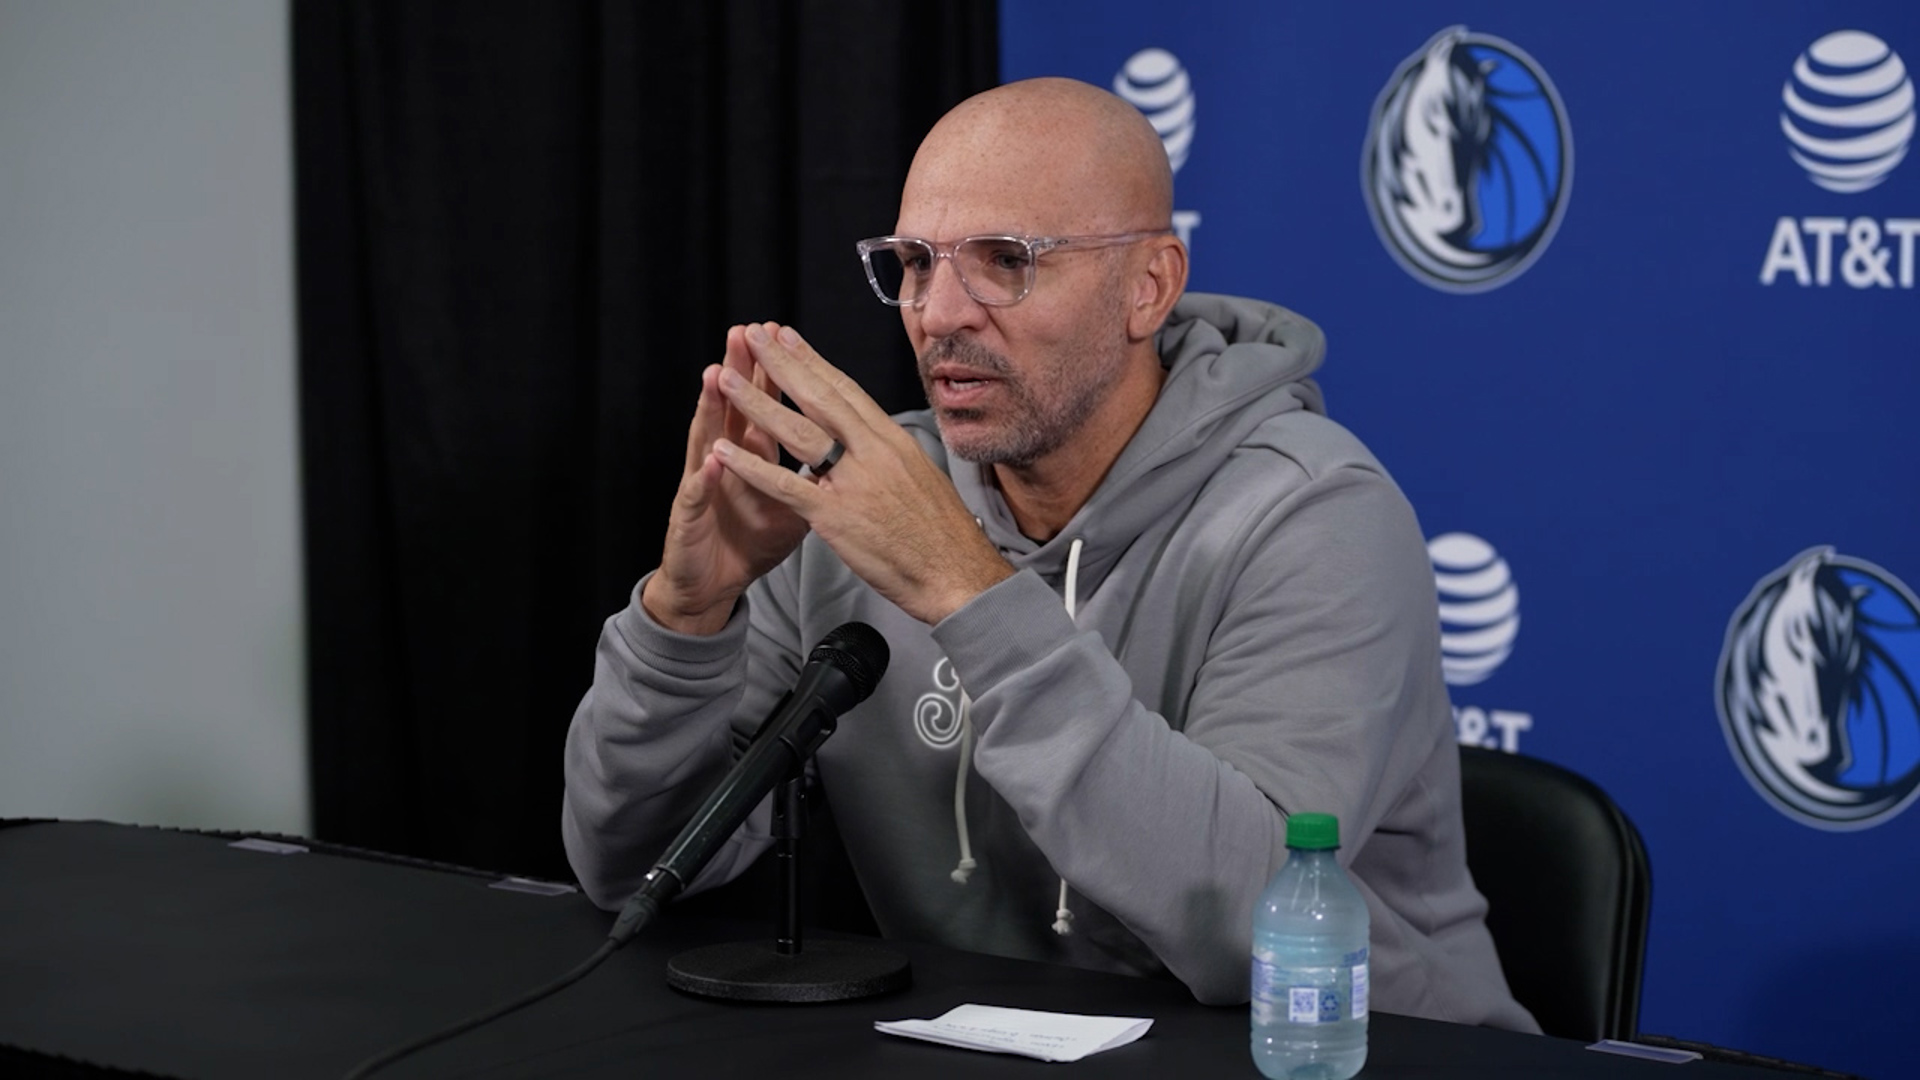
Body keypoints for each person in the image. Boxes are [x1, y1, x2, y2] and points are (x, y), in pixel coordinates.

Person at [562, 76, 1536, 1031]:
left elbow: (1258, 930)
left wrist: (963, 588)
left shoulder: (1313, 513)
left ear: (1148, 286)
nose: (938, 313)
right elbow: (633, 873)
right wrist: (686, 618)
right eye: (913, 262)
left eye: (1004, 259)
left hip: (1351, 1056)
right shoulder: (853, 506)